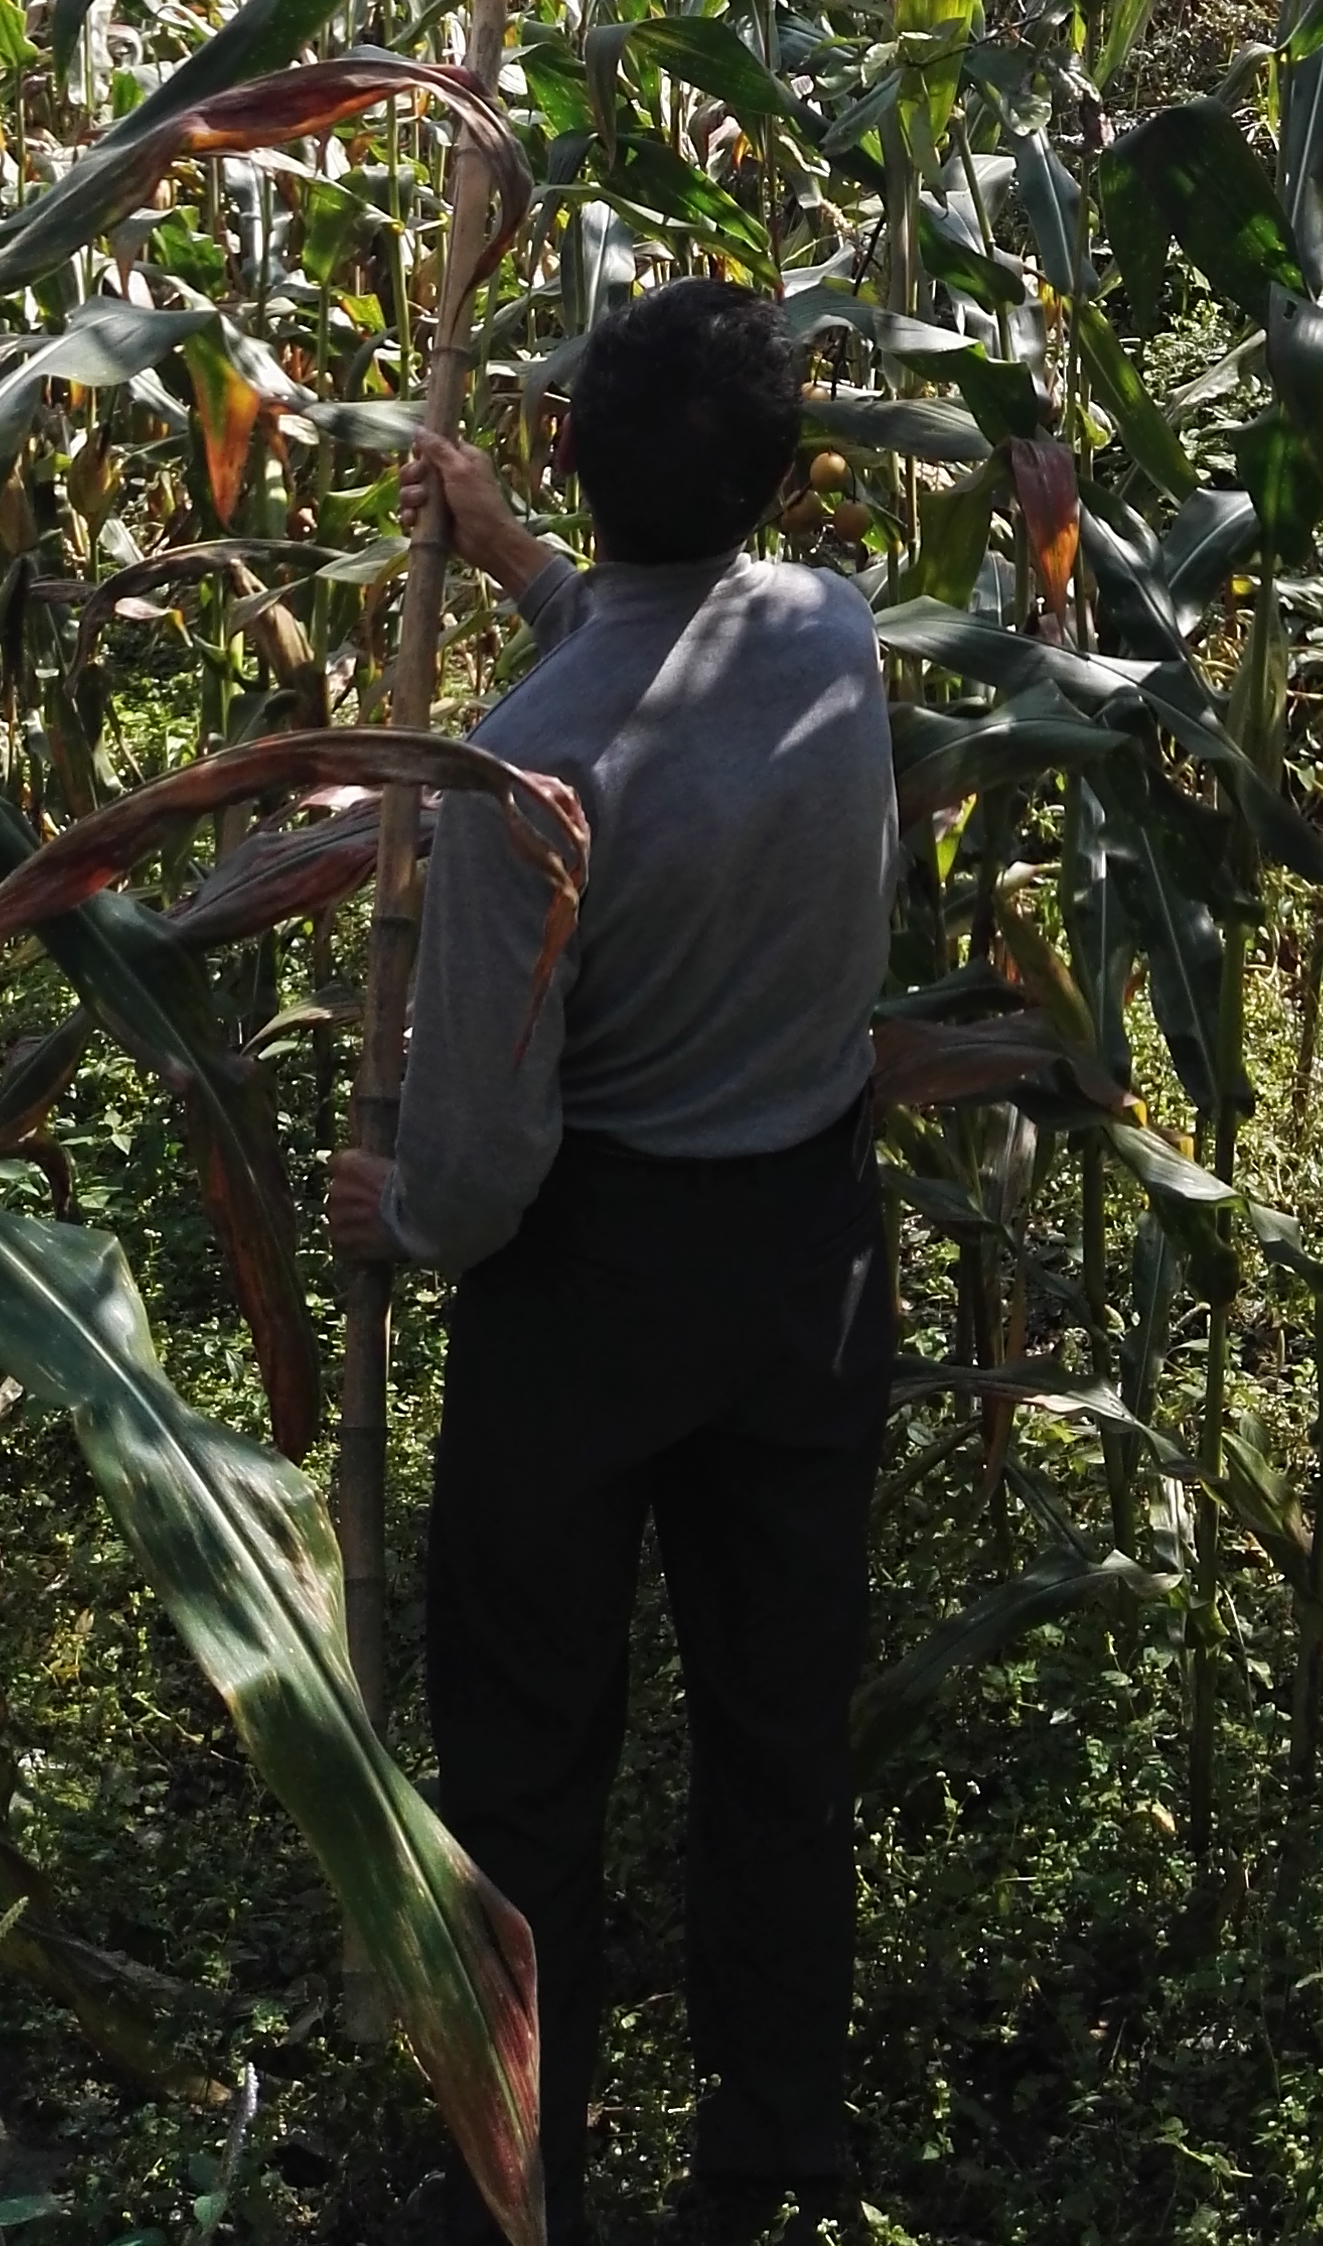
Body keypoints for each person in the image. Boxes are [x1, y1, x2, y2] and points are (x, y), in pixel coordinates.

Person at [326, 280, 900, 2246]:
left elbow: (481, 1169)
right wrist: (532, 562)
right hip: (808, 1258)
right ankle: (779, 2157)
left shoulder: (516, 779)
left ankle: (520, 2186)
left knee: (526, 1758)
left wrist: (390, 1209)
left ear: (566, 450)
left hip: (592, 1283)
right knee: (774, 1724)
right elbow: (679, 674)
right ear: (789, 478)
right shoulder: (837, 632)